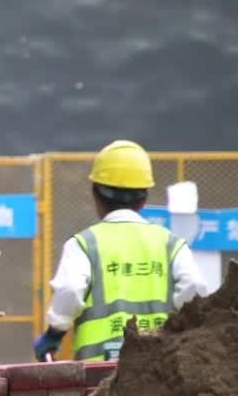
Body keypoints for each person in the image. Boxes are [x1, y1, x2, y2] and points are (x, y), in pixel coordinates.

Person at [36, 140, 211, 362]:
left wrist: (54, 333)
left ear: (95, 194)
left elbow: (70, 290)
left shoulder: (83, 245)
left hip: (98, 377)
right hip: (160, 370)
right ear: (144, 197)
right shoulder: (171, 245)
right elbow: (195, 289)